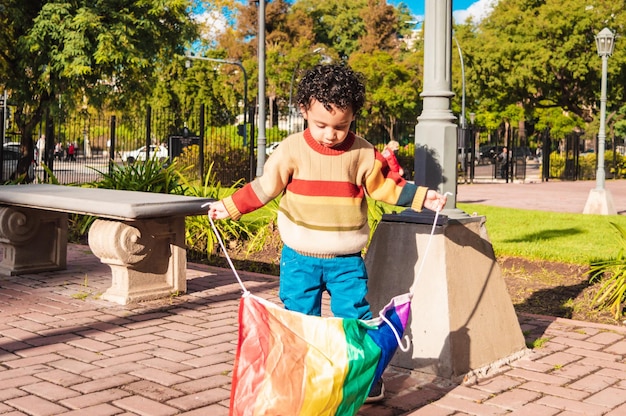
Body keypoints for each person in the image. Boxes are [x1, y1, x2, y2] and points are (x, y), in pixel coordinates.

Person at [208, 64, 447, 403]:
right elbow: (265, 187)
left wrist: (424, 197)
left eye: (341, 126)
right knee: (301, 317)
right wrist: (229, 206)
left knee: (355, 318)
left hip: (346, 260)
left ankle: (362, 376)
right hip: (299, 258)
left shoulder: (362, 152)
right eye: (321, 124)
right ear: (304, 109)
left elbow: (386, 188)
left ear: (353, 118)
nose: (331, 134)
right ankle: (305, 375)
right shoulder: (291, 149)